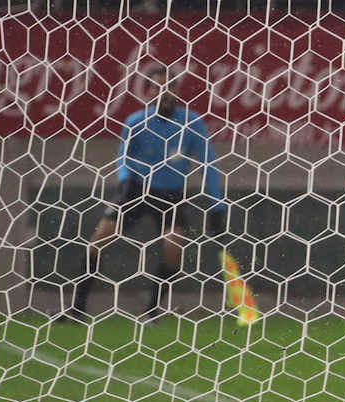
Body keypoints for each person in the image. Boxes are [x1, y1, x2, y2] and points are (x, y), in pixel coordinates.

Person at [58, 66, 226, 323]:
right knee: (98, 241)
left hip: (171, 195)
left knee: (173, 248)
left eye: (169, 87)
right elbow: (123, 157)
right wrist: (125, 180)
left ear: (177, 91)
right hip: (136, 189)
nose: (164, 92)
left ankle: (151, 312)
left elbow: (207, 163)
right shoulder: (136, 121)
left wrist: (217, 205)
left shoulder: (192, 122)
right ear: (148, 91)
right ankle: (77, 310)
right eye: (158, 87)